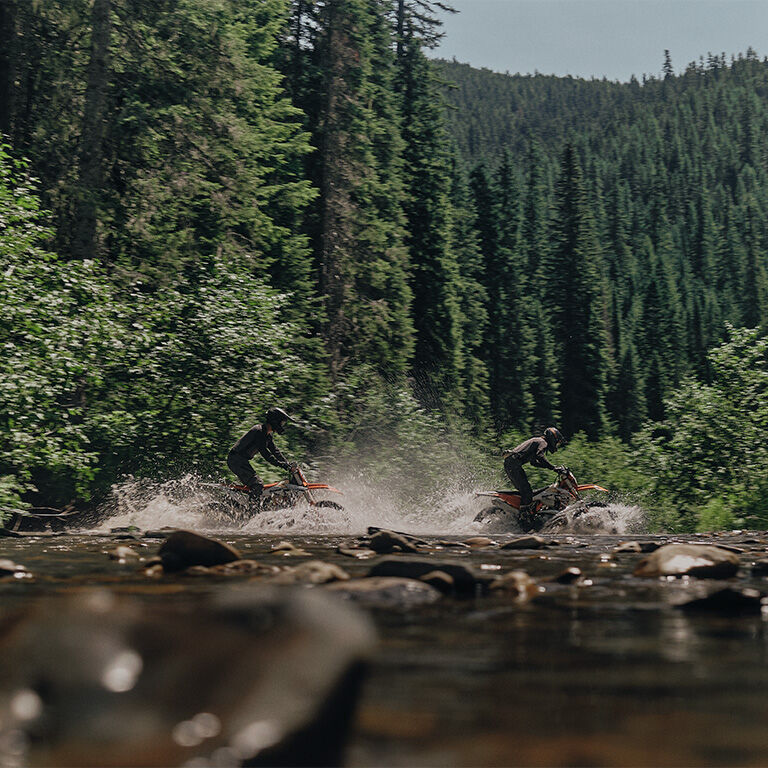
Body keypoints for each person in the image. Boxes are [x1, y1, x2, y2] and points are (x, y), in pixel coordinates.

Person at [227, 407, 296, 498]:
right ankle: (252, 507)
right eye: (281, 423)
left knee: (255, 485)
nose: (282, 425)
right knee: (257, 484)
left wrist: (287, 464)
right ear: (275, 421)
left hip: (240, 460)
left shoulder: (267, 434)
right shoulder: (259, 432)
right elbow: (265, 454)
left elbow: (275, 451)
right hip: (236, 460)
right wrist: (281, 465)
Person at [503, 427, 566, 519]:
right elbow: (540, 456)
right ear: (553, 438)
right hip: (513, 464)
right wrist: (553, 468)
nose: (556, 445)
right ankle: (524, 518)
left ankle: (523, 513)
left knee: (525, 491)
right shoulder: (542, 442)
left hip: (512, 464)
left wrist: (551, 467)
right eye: (557, 442)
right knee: (527, 492)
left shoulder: (537, 441)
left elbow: (534, 462)